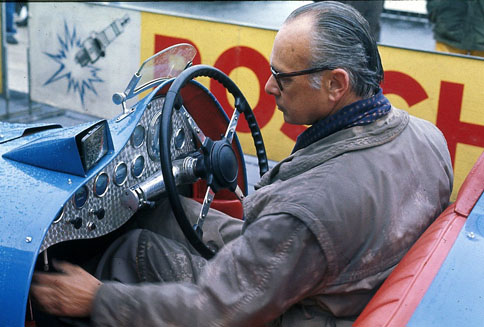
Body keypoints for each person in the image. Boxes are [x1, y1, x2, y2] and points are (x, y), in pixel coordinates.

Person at [31, 2, 453, 326]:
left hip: (299, 307)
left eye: (282, 77)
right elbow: (293, 222)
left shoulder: (308, 210)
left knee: (132, 247)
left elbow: (215, 310)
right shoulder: (428, 137)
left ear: (336, 84)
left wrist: (98, 299)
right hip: (344, 269)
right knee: (162, 213)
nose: (268, 86)